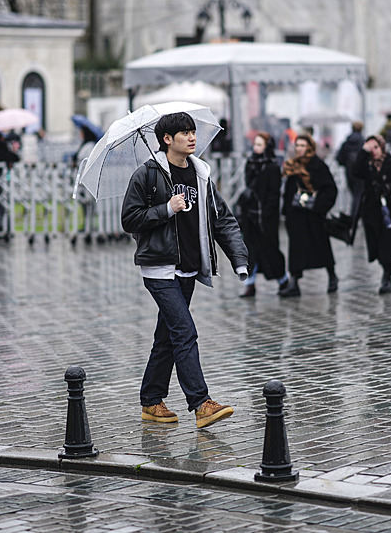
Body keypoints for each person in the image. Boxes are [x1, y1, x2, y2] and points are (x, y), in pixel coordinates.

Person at [121, 112, 248, 429]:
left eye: (193, 132)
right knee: (184, 331)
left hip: (190, 268)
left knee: (166, 338)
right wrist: (166, 208)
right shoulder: (147, 175)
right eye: (184, 133)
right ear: (167, 139)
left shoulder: (201, 174)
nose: (192, 137)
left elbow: (223, 220)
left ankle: (151, 401)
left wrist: (240, 259)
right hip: (159, 268)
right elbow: (129, 219)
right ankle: (201, 403)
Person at [279, 134, 338, 297]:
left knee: (322, 246)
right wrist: (287, 211)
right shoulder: (292, 165)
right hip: (297, 215)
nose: (299, 149)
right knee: (296, 249)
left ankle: (332, 275)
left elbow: (330, 189)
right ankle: (294, 281)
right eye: (297, 145)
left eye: (303, 146)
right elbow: (288, 191)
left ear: (310, 148)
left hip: (314, 215)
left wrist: (319, 205)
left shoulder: (318, 166)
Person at [352, 134, 391, 293]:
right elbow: (356, 171)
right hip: (371, 208)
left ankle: (387, 275)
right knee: (376, 242)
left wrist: (389, 188)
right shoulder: (366, 165)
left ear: (382, 147)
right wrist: (363, 152)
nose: (374, 152)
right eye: (370, 149)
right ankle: (384, 268)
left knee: (388, 243)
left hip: (390, 209)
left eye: (376, 148)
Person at [236, 132, 288, 297]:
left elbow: (274, 194)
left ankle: (283, 280)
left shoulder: (272, 167)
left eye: (259, 145)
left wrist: (266, 212)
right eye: (255, 144)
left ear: (267, 146)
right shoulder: (250, 163)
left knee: (270, 251)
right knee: (250, 252)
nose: (255, 148)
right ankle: (250, 285)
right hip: (250, 216)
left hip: (266, 218)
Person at [336, 121, 365, 217]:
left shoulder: (346, 142)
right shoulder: (363, 142)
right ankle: (357, 214)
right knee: (359, 193)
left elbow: (339, 158)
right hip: (361, 172)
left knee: (354, 194)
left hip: (349, 171)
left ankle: (356, 213)